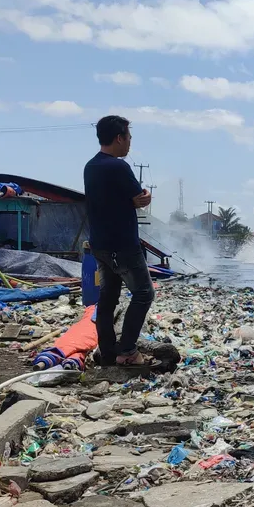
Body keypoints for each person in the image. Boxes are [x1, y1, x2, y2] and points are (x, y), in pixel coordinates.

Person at [83, 115, 154, 366]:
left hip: (100, 244)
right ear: (119, 138)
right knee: (144, 294)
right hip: (122, 244)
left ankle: (108, 351)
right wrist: (143, 196)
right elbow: (139, 198)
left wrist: (135, 199)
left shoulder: (90, 166)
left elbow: (117, 199)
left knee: (108, 296)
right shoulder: (118, 167)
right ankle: (127, 351)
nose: (130, 144)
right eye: (129, 138)